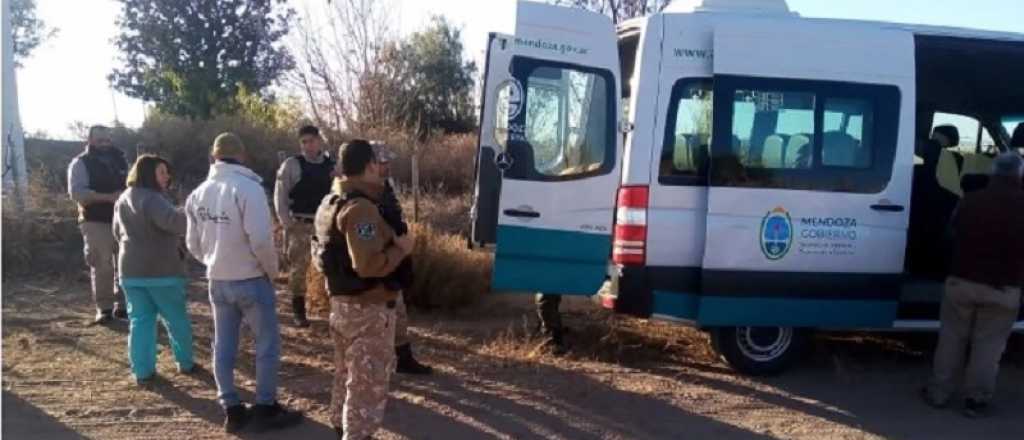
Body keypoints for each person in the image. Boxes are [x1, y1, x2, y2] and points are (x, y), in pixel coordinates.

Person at [185, 133, 303, 433]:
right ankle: (265, 406)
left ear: (214, 157)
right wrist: (272, 270)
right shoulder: (248, 188)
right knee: (266, 343)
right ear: (242, 155)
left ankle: (232, 409)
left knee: (223, 345)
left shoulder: (198, 193)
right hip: (250, 278)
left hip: (217, 280)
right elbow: (261, 239)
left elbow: (193, 244)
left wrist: (214, 260)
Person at [313, 140, 413, 439]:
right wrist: (402, 250)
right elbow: (368, 266)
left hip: (342, 305)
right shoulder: (361, 209)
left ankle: (339, 426)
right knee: (366, 388)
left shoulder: (331, 201)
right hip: (367, 308)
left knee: (345, 375)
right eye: (377, 163)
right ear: (369, 164)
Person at [923, 152, 1024, 418]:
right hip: (1004, 289)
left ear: (993, 172)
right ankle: (975, 401)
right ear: (1019, 174)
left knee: (951, 339)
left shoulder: (970, 201)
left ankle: (938, 393)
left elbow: (949, 235)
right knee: (988, 346)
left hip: (961, 282)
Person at [112, 155, 194, 385]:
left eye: (166, 172)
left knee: (140, 321)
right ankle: (186, 363)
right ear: (148, 174)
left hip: (130, 270)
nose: (167, 176)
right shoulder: (153, 199)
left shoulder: (123, 199)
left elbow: (116, 234)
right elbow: (175, 223)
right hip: (162, 271)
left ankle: (142, 371)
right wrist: (192, 212)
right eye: (161, 172)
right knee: (176, 319)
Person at [373, 142, 433, 375]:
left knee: (397, 308)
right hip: (376, 258)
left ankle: (403, 357)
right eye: (381, 162)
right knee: (381, 313)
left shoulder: (385, 186)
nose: (387, 166)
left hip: (391, 255)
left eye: (388, 162)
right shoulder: (362, 193)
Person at [274, 125, 335, 327]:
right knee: (298, 270)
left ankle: (332, 308)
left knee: (330, 267)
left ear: (319, 140)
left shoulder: (331, 165)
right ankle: (299, 312)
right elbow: (280, 195)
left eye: (311, 140)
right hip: (299, 223)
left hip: (324, 225)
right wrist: (287, 223)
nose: (308, 145)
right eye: (304, 142)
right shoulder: (292, 164)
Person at [67, 125, 129, 324]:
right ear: (90, 140)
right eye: (99, 139)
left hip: (124, 219)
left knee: (126, 264)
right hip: (95, 220)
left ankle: (123, 306)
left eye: (107, 139)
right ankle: (105, 309)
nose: (104, 143)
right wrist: (109, 197)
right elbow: (78, 194)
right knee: (102, 264)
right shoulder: (80, 163)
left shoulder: (121, 160)